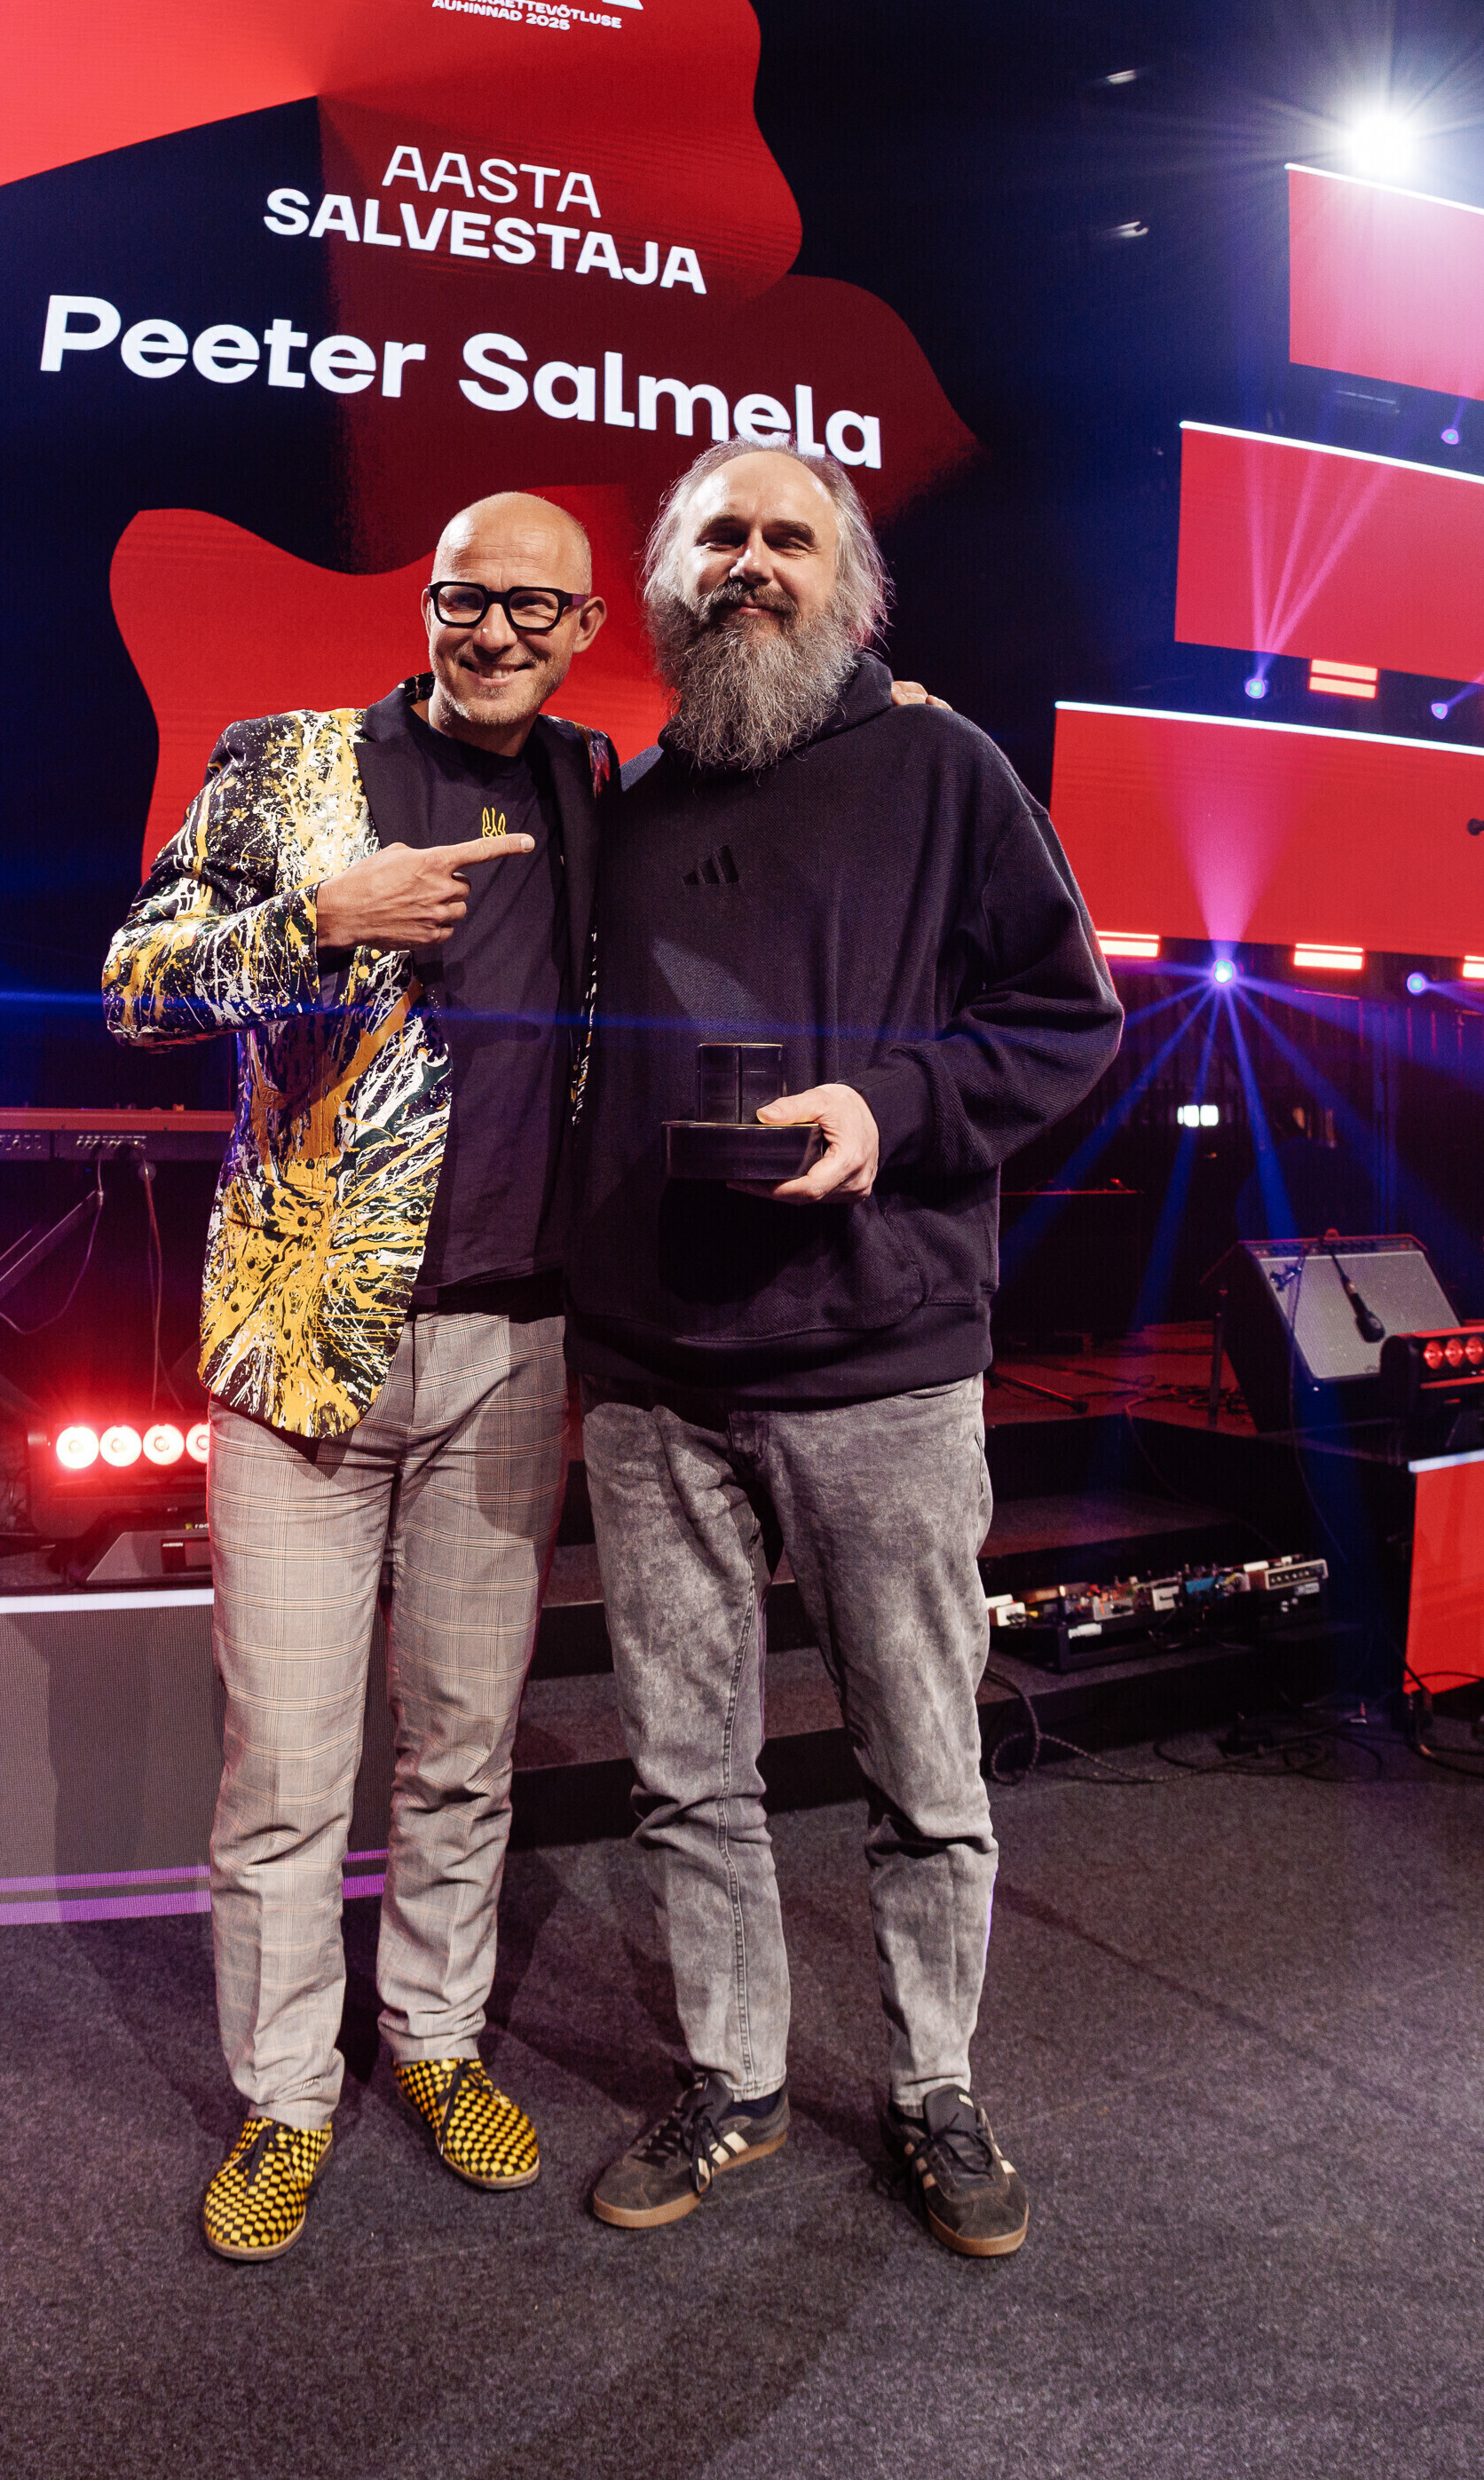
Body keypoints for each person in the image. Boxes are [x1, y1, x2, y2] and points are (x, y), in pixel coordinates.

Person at [565, 438, 1122, 2258]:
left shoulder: (946, 769)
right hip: (654, 1375)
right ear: (668, 582)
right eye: (715, 536)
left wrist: (891, 1108)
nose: (749, 563)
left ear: (852, 585)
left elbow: (1066, 1018)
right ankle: (732, 2080)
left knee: (923, 1768)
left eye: (786, 538)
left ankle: (933, 2086)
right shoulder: (629, 803)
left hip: (880, 1358)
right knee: (685, 1769)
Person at [103, 492, 617, 2259]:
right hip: (306, 1349)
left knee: (464, 1754)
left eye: (536, 607)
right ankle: (285, 2098)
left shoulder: (597, 787)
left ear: (583, 628)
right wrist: (314, 917)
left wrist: (893, 704)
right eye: (470, 597)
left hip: (516, 1348)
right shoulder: (282, 762)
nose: (497, 632)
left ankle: (438, 2041)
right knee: (287, 1772)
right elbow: (136, 987)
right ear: (429, 602)